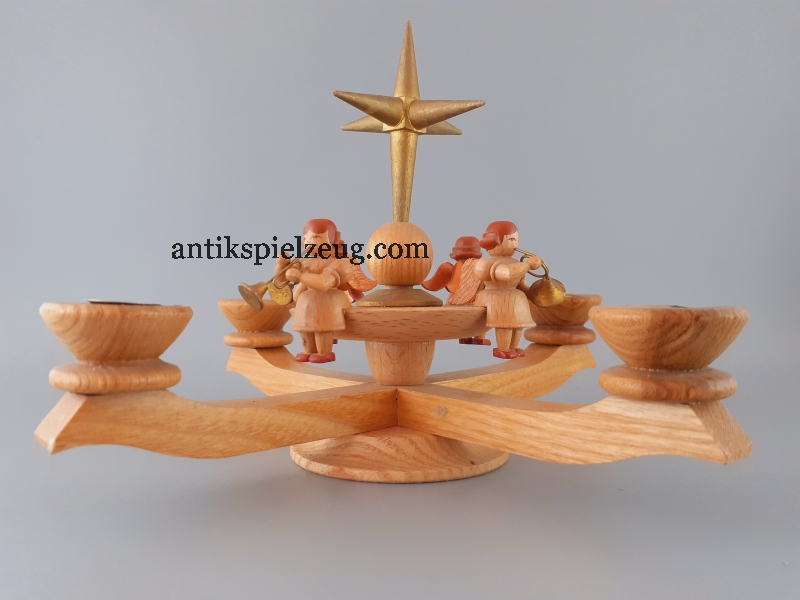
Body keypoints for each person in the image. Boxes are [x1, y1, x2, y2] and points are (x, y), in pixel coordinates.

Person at [275, 219, 367, 363]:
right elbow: (281, 281)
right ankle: (308, 350)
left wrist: (300, 276)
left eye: (316, 238)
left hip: (329, 300)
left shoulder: (340, 263)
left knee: (320, 312)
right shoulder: (304, 262)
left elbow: (324, 283)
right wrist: (282, 266)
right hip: (307, 302)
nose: (311, 242)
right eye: (307, 239)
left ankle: (324, 351)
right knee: (305, 322)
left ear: (333, 240)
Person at [473, 221, 541, 359]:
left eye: (516, 240)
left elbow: (521, 284)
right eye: (511, 240)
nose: (515, 244)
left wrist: (535, 294)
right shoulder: (485, 263)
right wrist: (528, 265)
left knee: (517, 325)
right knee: (505, 324)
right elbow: (507, 273)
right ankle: (502, 348)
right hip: (495, 298)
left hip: (515, 298)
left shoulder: (517, 263)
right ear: (494, 241)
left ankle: (514, 347)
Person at [422, 236, 490, 345]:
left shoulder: (463, 266)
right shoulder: (478, 266)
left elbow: (453, 286)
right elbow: (454, 285)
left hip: (458, 300)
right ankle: (477, 338)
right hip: (472, 301)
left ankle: (467, 337)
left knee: (470, 319)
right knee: (478, 320)